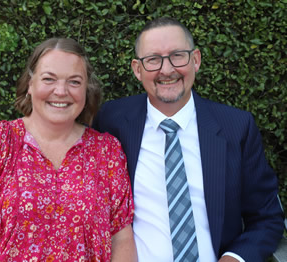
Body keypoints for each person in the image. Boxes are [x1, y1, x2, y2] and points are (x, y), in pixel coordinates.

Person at [93, 17, 284, 262]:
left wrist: (234, 258)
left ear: (196, 60)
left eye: (178, 56)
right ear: (137, 69)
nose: (167, 70)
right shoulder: (112, 121)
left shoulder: (236, 127)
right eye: (153, 59)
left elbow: (267, 217)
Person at [0, 37, 137, 262]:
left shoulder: (106, 152)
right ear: (30, 84)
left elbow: (121, 237)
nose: (61, 91)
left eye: (74, 81)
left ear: (86, 90)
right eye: (48, 79)